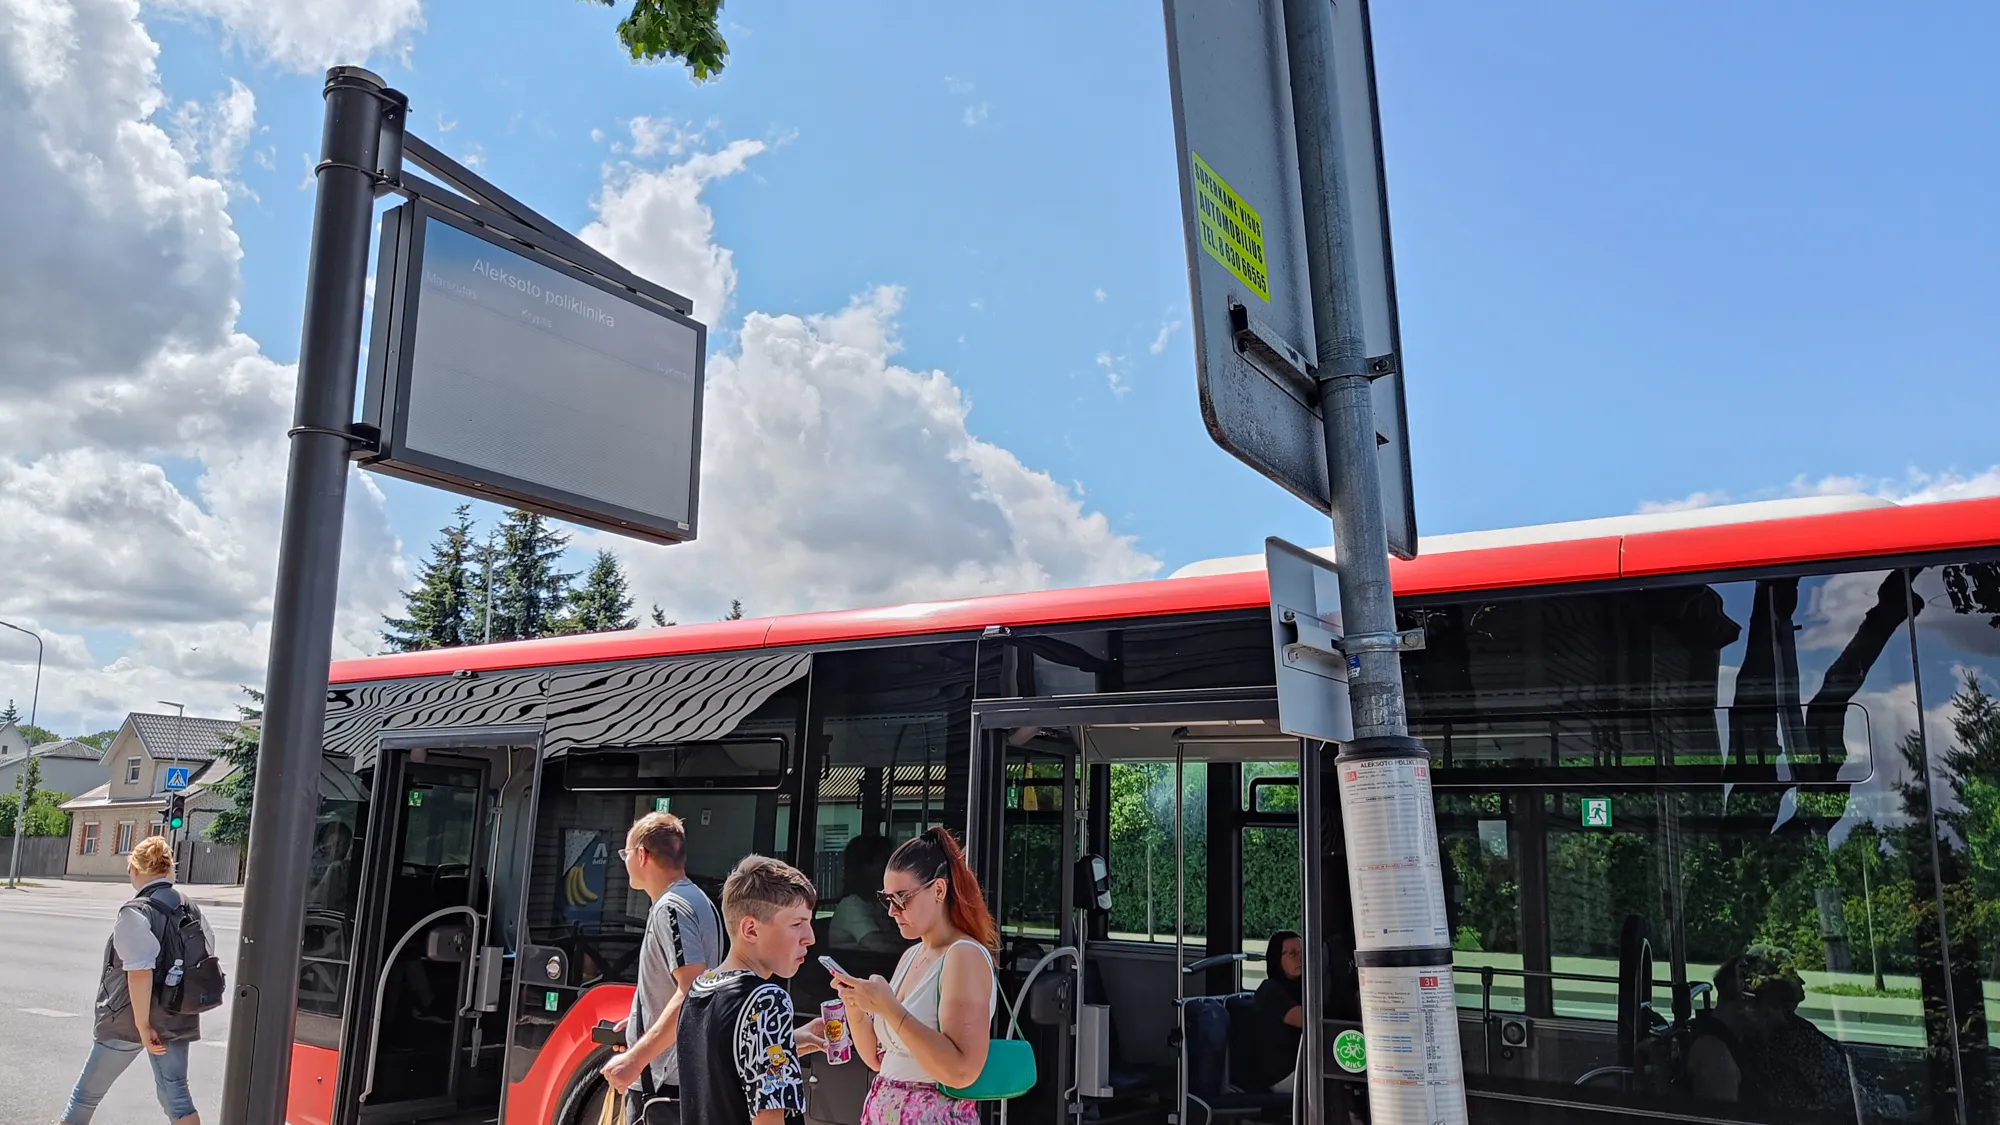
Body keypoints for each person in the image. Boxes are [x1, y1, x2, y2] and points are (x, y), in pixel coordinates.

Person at [833, 826, 1000, 1125]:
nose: (892, 912)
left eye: (902, 898)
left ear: (938, 890)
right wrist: (856, 1006)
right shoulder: (912, 955)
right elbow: (878, 1059)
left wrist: (888, 1008)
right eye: (888, 900)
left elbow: (962, 1071)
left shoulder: (964, 955)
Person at [59, 836, 215, 1125]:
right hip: (177, 1015)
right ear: (169, 869)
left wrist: (143, 1025)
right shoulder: (191, 908)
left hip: (127, 1020)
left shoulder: (135, 912)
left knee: (85, 1096)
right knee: (178, 1099)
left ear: (134, 869)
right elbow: (206, 955)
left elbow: (140, 972)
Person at [676, 855, 827, 1125]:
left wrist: (788, 1042)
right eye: (797, 924)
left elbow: (727, 1068)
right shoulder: (768, 1000)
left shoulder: (701, 987)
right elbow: (768, 1117)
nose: (810, 937)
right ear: (751, 929)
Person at [602, 812, 727, 1125]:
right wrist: (639, 1023)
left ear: (642, 854)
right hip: (682, 1077)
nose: (624, 860)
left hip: (663, 1083)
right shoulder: (699, 900)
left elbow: (691, 991)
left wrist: (636, 1057)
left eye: (626, 853)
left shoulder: (670, 907)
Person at [1243, 930, 1304, 1095]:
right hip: (1283, 1074)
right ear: (1277, 959)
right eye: (1291, 954)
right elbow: (1306, 1020)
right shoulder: (1269, 990)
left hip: (1303, 1065)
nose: (1300, 958)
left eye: (1302, 952)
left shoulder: (1303, 988)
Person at [829, 835, 900, 951]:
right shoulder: (851, 904)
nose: (891, 867)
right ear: (865, 866)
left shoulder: (877, 901)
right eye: (885, 861)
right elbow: (875, 943)